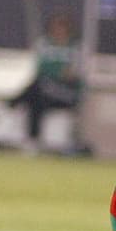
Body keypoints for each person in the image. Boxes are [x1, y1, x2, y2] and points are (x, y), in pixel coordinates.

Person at [9, 11, 83, 152]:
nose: (58, 30)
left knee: (38, 87)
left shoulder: (76, 48)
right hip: (44, 91)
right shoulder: (44, 44)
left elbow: (70, 75)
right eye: (55, 27)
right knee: (37, 101)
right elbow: (41, 68)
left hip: (67, 93)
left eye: (62, 27)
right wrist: (56, 71)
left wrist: (54, 72)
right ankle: (33, 142)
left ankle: (12, 103)